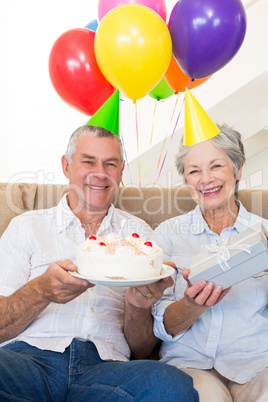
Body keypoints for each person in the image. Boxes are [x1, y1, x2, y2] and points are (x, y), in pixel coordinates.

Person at [0, 124, 199, 401]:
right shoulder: (26, 227)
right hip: (27, 362)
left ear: (120, 171)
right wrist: (41, 291)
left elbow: (142, 350)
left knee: (171, 386)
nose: (100, 173)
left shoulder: (141, 236)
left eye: (110, 164)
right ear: (66, 165)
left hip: (106, 369)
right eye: (88, 161)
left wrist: (138, 307)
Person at [124, 88, 268, 402]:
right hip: (190, 365)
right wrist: (192, 306)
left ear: (237, 169)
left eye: (216, 166)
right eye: (194, 171)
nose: (205, 179)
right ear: (186, 180)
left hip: (258, 364)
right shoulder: (167, 235)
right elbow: (159, 324)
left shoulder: (264, 234)